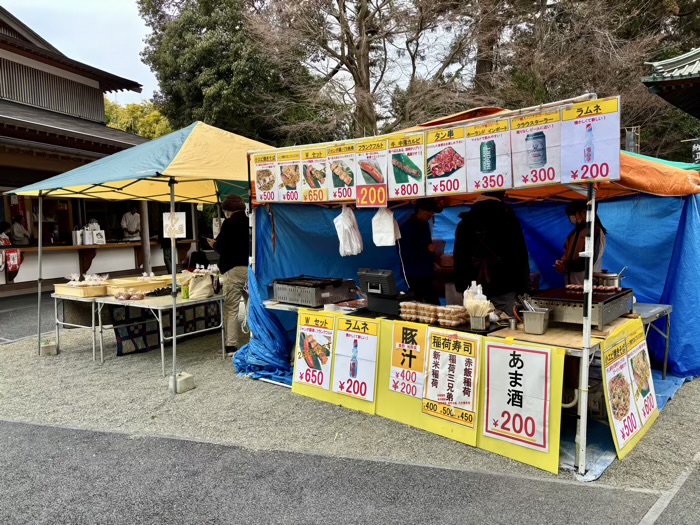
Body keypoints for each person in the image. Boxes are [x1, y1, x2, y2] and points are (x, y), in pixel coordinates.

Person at [453, 191, 530, 314]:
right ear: (502, 197)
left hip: (473, 286)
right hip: (505, 284)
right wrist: (524, 286)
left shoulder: (465, 223)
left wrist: (462, 287)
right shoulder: (508, 220)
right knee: (511, 324)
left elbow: (459, 257)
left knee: (476, 324)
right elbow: (520, 254)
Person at [208, 195, 249, 356]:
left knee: (231, 308)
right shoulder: (250, 221)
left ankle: (232, 346)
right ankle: (257, 339)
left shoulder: (229, 223)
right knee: (251, 305)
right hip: (251, 268)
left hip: (233, 270)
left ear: (228, 211)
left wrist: (214, 244)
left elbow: (221, 247)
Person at [398, 198, 442, 305]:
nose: (431, 215)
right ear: (420, 210)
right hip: (413, 272)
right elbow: (406, 252)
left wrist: (431, 259)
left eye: (433, 212)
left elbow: (427, 245)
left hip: (426, 271)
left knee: (433, 302)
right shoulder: (406, 227)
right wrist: (427, 251)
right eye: (429, 211)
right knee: (418, 302)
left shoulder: (425, 225)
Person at [555, 200, 607, 285]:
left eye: (573, 214)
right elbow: (566, 255)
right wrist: (562, 265)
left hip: (587, 285)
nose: (571, 217)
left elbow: (587, 260)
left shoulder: (594, 231)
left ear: (584, 212)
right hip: (571, 284)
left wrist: (567, 265)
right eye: (570, 215)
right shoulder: (572, 234)